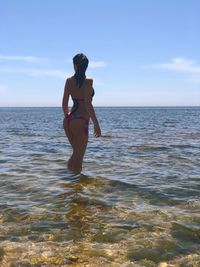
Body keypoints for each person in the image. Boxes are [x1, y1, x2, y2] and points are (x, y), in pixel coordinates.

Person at [62, 53, 101, 174]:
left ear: (75, 65)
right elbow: (88, 104)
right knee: (78, 157)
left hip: (69, 120)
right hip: (81, 121)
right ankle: (76, 187)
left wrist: (69, 117)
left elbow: (64, 103)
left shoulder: (69, 81)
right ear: (86, 66)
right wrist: (96, 124)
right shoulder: (88, 81)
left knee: (76, 154)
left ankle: (70, 181)